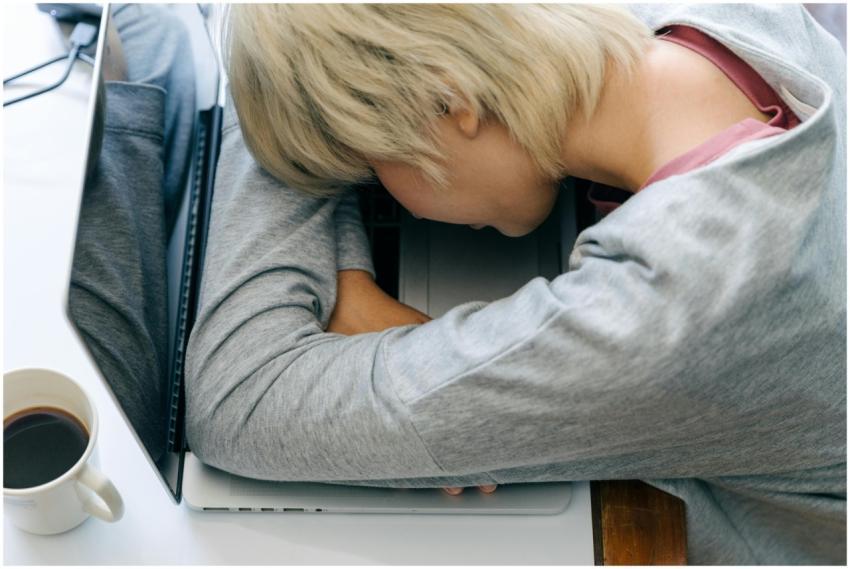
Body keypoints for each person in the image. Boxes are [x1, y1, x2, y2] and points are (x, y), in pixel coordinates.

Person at [185, 4, 846, 564]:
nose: (394, 202)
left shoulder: (674, 305)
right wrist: (313, 58)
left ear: (450, 102)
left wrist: (296, 79)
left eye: (365, 164)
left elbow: (239, 395)